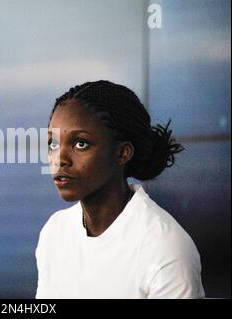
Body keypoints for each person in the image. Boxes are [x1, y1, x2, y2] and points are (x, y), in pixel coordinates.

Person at [35, 80, 204, 299]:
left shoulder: (166, 248)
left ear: (123, 153)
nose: (59, 160)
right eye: (53, 144)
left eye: (80, 144)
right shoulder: (54, 233)